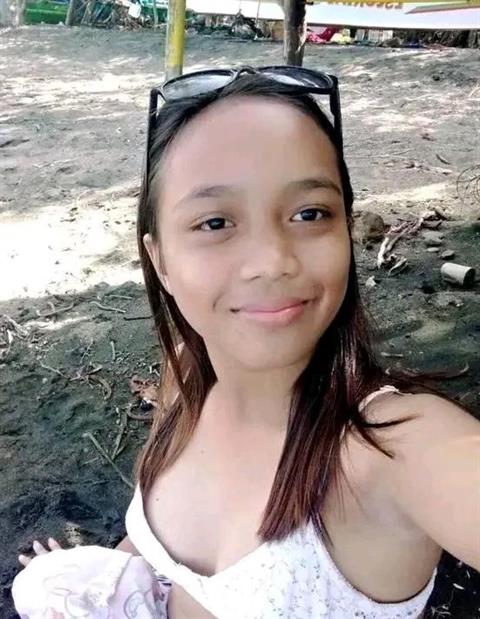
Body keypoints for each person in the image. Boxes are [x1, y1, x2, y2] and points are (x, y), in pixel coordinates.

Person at [12, 66, 480, 619]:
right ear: (160, 260)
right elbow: (156, 554)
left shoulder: (399, 448)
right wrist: (101, 580)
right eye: (215, 223)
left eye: (310, 213)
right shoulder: (188, 376)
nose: (272, 261)